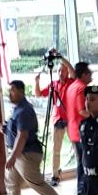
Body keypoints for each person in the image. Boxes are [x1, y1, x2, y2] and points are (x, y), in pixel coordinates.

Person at [0, 81, 70, 195]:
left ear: (21, 91)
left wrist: (13, 157)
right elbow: (17, 132)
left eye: (12, 91)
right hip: (19, 153)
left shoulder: (24, 110)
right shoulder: (17, 109)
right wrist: (6, 130)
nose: (10, 94)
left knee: (36, 182)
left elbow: (23, 136)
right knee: (11, 182)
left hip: (27, 154)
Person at [33, 53, 75, 186]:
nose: (61, 73)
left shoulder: (71, 83)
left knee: (77, 147)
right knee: (55, 150)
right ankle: (55, 175)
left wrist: (60, 57)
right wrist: (37, 81)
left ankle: (82, 171)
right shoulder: (54, 84)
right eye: (59, 71)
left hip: (70, 119)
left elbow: (73, 71)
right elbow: (38, 94)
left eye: (63, 71)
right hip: (57, 119)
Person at [65, 61, 92, 195]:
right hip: (81, 130)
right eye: (89, 73)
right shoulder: (82, 88)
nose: (91, 75)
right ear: (84, 74)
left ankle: (82, 190)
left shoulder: (71, 87)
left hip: (73, 129)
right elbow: (82, 111)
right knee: (84, 162)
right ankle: (83, 191)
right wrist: (97, 116)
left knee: (81, 161)